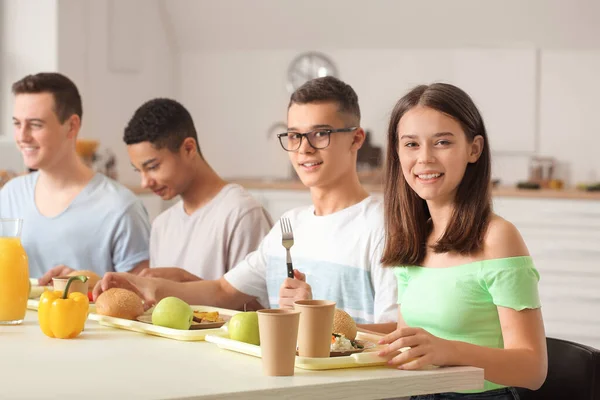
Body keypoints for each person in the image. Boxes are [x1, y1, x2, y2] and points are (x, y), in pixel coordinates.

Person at [94, 76, 398, 329]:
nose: (304, 149)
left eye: (320, 134)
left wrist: (316, 320)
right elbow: (224, 291)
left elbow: (396, 331)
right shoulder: (289, 226)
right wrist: (145, 286)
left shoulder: (384, 226)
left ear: (356, 139)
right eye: (294, 136)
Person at [377, 83, 547, 398]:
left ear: (474, 149)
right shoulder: (413, 238)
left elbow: (533, 369)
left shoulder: (498, 238)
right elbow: (408, 339)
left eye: (442, 142)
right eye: (411, 144)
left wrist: (449, 351)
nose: (424, 158)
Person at [0, 72, 151, 284]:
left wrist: (87, 283)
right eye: (17, 124)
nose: (23, 136)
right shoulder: (9, 196)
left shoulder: (121, 208)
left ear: (71, 126)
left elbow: (141, 302)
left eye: (35, 125)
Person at [123, 98, 273, 284]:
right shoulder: (162, 225)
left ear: (188, 148)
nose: (145, 182)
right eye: (139, 170)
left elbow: (261, 308)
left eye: (153, 167)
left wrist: (185, 281)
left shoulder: (241, 214)